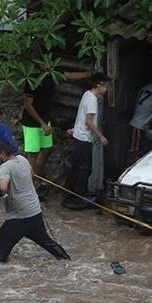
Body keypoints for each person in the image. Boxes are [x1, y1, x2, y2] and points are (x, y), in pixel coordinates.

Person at [0, 141, 71, 263]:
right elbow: (31, 176)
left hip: (19, 216)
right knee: (47, 242)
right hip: (35, 211)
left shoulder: (5, 167)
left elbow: (3, 188)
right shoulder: (22, 159)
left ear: (3, 154)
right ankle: (67, 261)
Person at [21, 69, 92, 194]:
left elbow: (69, 75)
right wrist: (41, 123)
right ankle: (29, 183)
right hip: (31, 122)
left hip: (45, 118)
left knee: (47, 149)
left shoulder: (52, 75)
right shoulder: (32, 80)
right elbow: (27, 105)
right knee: (32, 153)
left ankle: (36, 179)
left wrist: (88, 74)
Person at [63, 73, 110, 210]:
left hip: (79, 136)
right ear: (99, 84)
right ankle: (77, 197)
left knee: (75, 167)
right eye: (106, 87)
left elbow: (81, 117)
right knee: (84, 169)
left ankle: (70, 195)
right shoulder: (92, 101)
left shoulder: (87, 94)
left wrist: (74, 129)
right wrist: (100, 136)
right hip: (84, 139)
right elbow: (89, 122)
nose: (106, 90)